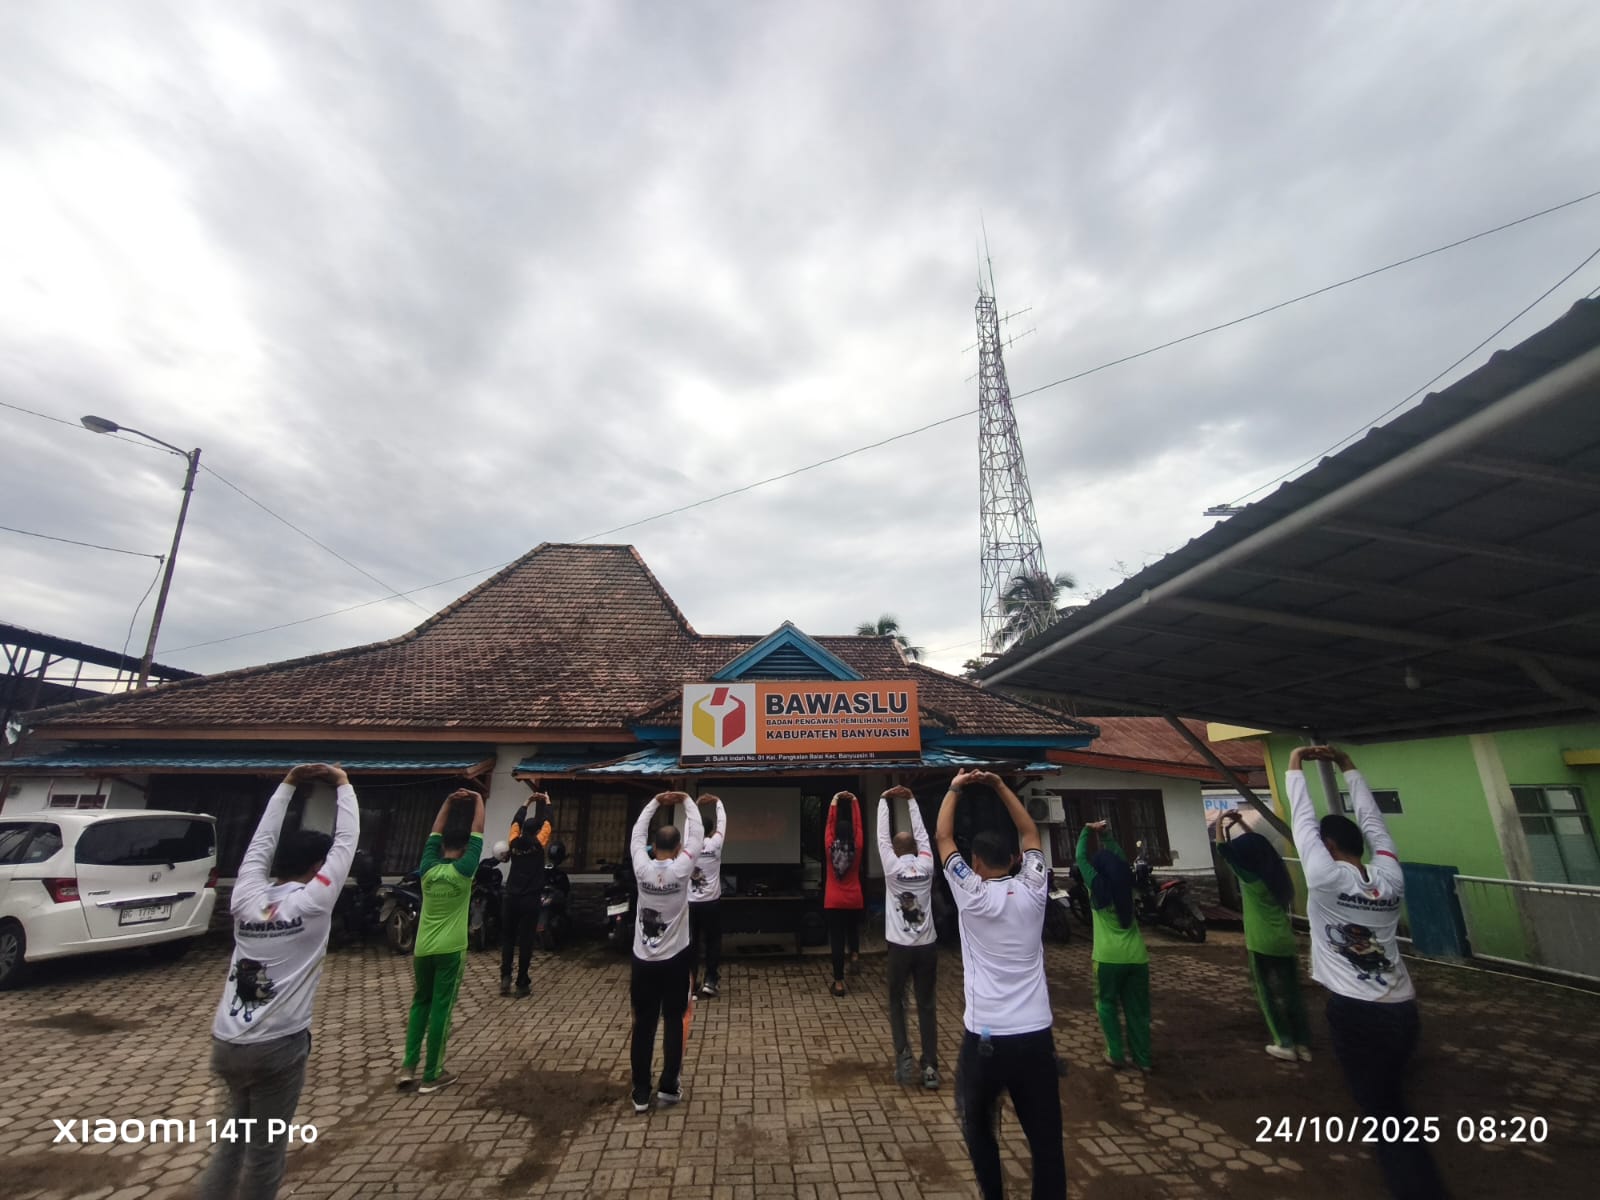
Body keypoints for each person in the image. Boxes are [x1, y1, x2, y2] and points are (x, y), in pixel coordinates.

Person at [1288, 745, 1449, 1199]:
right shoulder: (1390, 878)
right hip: (1403, 1009)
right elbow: (1375, 822)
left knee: (1385, 1117)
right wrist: (1347, 766)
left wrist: (1296, 761)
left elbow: (1302, 818)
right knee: (1394, 1104)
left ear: (1330, 845)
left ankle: (1418, 1189)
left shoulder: (1323, 878)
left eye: (1321, 841)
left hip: (1356, 1014)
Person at [199, 763, 358, 1200]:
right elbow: (346, 842)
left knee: (232, 1142)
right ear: (317, 867)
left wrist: (287, 785)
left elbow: (259, 844)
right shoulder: (313, 903)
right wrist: (343, 784)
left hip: (227, 1041)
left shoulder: (246, 897)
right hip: (279, 1046)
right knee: (266, 1153)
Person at [937, 770, 1065, 1200]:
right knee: (1047, 1141)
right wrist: (998, 786)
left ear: (975, 864)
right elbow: (1030, 830)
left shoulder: (970, 894)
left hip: (987, 1037)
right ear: (1014, 860)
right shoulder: (1033, 887)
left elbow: (942, 837)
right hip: (1036, 1036)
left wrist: (956, 787)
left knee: (978, 1126)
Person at [398, 788, 485, 1094]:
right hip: (451, 948)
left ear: (444, 846)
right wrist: (478, 800)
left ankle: (408, 1066)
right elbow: (478, 831)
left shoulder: (427, 869)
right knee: (441, 1008)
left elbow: (434, 833)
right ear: (464, 849)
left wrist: (447, 801)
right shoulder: (464, 871)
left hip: (423, 948)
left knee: (419, 1003)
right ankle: (432, 1073)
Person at [628, 790, 705, 1112]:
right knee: (674, 1020)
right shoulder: (682, 870)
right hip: (676, 959)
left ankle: (641, 1092)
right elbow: (698, 832)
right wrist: (687, 800)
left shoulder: (642, 868)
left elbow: (636, 832)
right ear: (677, 848)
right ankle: (669, 1086)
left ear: (653, 846)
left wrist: (655, 803)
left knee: (643, 1024)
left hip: (643, 960)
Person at [1216, 809, 1311, 1061]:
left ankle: (1284, 1042)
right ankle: (1303, 1043)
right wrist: (1240, 824)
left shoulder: (1251, 881)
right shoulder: (1278, 879)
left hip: (1261, 943)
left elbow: (1224, 851)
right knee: (1292, 993)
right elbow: (1261, 847)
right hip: (1286, 942)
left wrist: (1219, 822)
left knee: (1267, 992)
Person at [876, 785, 939, 1088]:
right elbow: (924, 835)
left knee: (897, 1001)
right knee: (926, 1004)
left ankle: (903, 1060)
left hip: (900, 948)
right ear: (916, 849)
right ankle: (930, 1068)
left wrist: (883, 801)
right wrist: (911, 800)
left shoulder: (890, 868)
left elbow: (881, 837)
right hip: (927, 946)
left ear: (896, 851)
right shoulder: (927, 865)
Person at [1076, 818, 1151, 1072]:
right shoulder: (1127, 887)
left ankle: (1116, 1053)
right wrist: (1106, 836)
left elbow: (1081, 858)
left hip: (1107, 958)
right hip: (1138, 958)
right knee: (1138, 1012)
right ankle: (1143, 1059)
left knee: (1107, 1005)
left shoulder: (1097, 888)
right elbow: (1119, 859)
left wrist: (1087, 831)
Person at [500, 790, 553, 998]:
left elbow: (515, 821)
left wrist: (526, 803)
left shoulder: (514, 843)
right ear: (537, 831)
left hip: (511, 897)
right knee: (526, 941)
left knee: (508, 939)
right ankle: (522, 982)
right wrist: (547, 801)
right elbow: (549, 821)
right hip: (530, 899)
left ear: (522, 830)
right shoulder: (539, 844)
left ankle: (505, 977)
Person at [824, 790, 864, 996]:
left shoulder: (830, 846)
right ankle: (855, 955)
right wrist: (854, 802)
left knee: (837, 941)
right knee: (852, 929)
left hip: (833, 901)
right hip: (854, 898)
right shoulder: (857, 847)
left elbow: (829, 825)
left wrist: (834, 801)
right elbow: (859, 826)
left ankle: (839, 983)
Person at [688, 793, 727, 998]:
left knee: (691, 943)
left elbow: (688, 824)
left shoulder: (689, 846)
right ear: (711, 830)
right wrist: (717, 802)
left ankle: (691, 984)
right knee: (713, 942)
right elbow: (723, 824)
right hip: (711, 904)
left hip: (691, 904)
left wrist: (694, 805)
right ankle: (710, 981)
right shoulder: (715, 845)